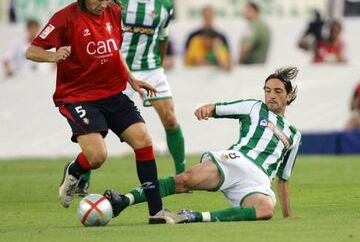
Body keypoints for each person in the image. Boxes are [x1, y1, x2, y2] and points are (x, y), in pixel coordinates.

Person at [25, 0, 186, 224]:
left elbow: (114, 50)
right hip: (78, 96)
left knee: (144, 141)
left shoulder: (113, 10)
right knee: (98, 157)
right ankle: (75, 170)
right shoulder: (65, 18)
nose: (104, 4)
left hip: (113, 92)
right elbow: (32, 51)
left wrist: (131, 77)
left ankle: (156, 212)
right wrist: (53, 55)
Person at [104, 66, 302, 223]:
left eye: (277, 91)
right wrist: (207, 109)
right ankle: (124, 200)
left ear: (289, 96)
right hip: (236, 161)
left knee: (265, 210)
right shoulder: (254, 107)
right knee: (184, 180)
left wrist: (287, 215)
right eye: (267, 90)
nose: (271, 96)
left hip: (258, 181)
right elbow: (218, 108)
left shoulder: (294, 135)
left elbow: (283, 179)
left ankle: (194, 216)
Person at [76, 0, 186, 197]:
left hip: (151, 68)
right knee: (98, 125)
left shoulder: (164, 5)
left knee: (169, 118)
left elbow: (163, 38)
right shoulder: (118, 2)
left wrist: (158, 65)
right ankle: (83, 178)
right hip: (118, 68)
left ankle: (181, 173)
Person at [184, 6, 231, 71]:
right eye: (206, 17)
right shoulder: (194, 38)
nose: (208, 41)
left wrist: (217, 51)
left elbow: (227, 65)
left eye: (210, 17)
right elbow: (199, 62)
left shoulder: (221, 38)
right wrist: (217, 64)